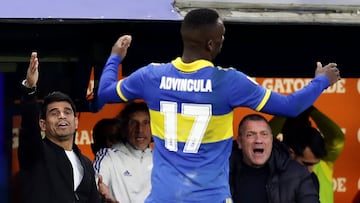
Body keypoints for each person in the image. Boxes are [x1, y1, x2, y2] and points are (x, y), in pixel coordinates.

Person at [96, 8, 341, 202]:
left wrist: (115, 57)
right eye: (221, 37)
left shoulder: (152, 76)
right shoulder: (228, 82)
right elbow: (290, 106)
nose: (223, 41)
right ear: (211, 44)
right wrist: (321, 81)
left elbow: (105, 92)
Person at [18, 52, 100, 203]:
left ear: (76, 122)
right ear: (43, 124)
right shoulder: (36, 153)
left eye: (67, 112)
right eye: (54, 113)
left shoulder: (86, 163)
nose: (62, 116)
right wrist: (29, 90)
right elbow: (29, 129)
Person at [229, 114, 319, 203]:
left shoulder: (298, 174)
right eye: (250, 135)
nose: (258, 140)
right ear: (240, 142)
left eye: (264, 134)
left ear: (272, 140)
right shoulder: (223, 172)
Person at [269, 105, 345, 203]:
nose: (311, 170)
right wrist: (290, 108)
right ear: (291, 152)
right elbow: (264, 137)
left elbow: (337, 139)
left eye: (314, 163)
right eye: (306, 163)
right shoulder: (273, 163)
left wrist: (310, 109)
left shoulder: (324, 161)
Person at [93, 101, 152, 203]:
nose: (140, 130)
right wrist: (100, 192)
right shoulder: (109, 156)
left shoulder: (161, 160)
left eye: (146, 123)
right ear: (124, 128)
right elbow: (97, 182)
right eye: (134, 123)